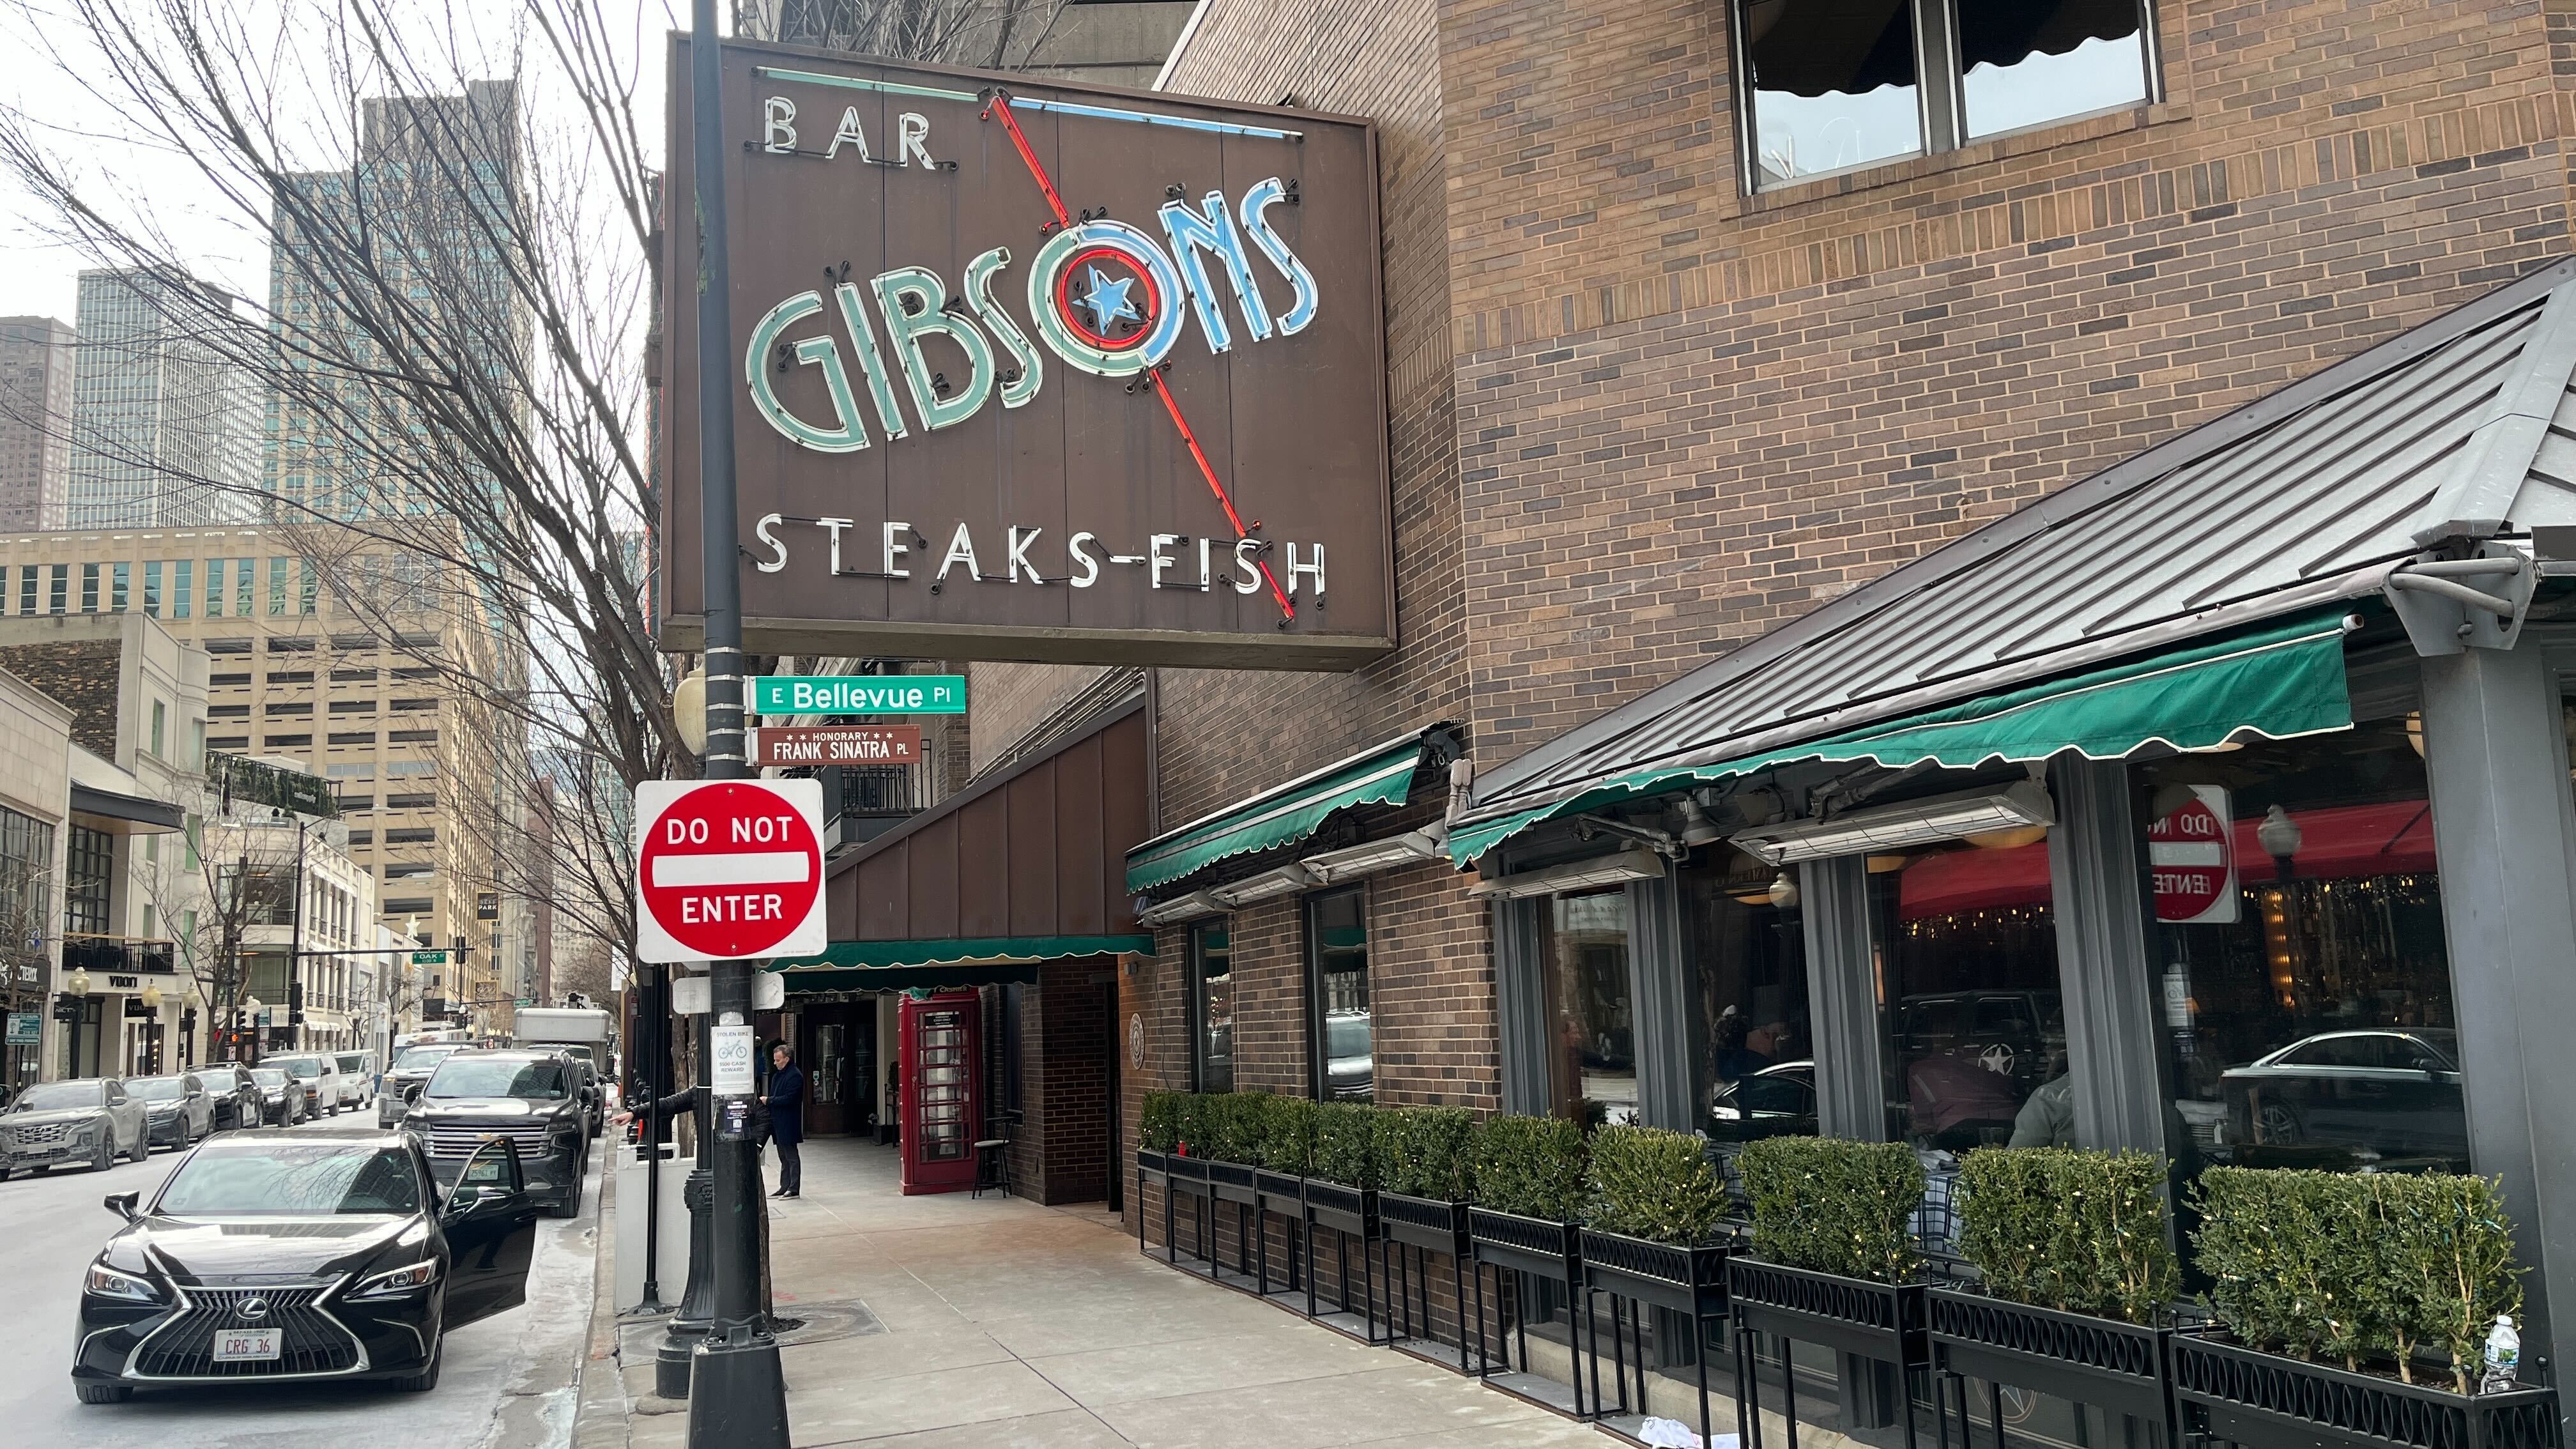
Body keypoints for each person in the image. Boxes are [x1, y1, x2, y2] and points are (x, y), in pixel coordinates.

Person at [767, 1043, 805, 1199]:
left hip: (788, 1121)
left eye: (778, 1060)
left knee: (791, 1155)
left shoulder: (795, 1075)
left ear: (787, 1059)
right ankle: (784, 1186)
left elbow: (790, 1098)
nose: (775, 1064)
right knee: (783, 1156)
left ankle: (794, 1187)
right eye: (775, 1060)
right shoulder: (778, 1075)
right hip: (778, 1120)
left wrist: (770, 1101)